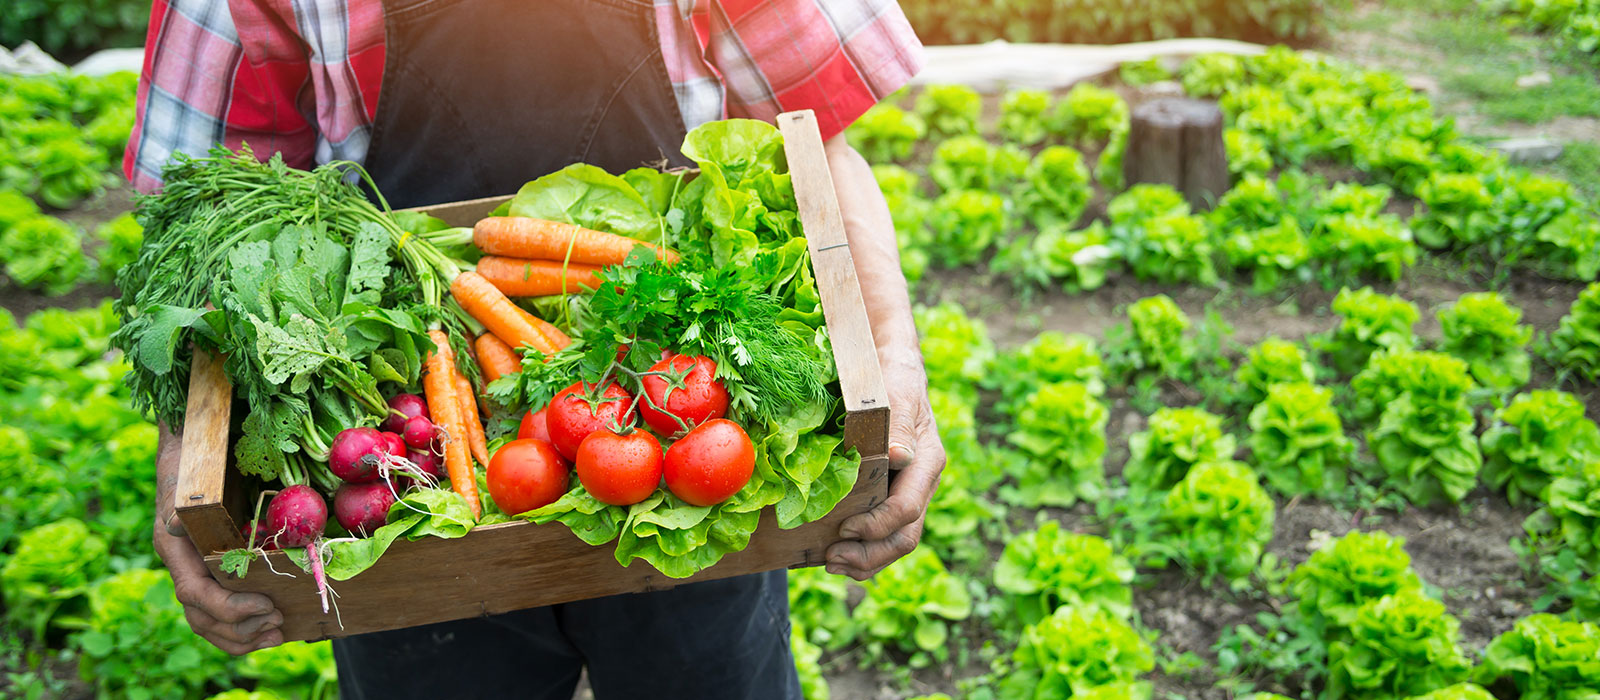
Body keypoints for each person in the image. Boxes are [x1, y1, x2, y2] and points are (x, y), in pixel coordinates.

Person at [131, 0, 945, 697]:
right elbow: (211, 231)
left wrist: (898, 373)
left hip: (685, 454)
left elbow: (819, 143)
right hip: (411, 491)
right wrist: (187, 470)